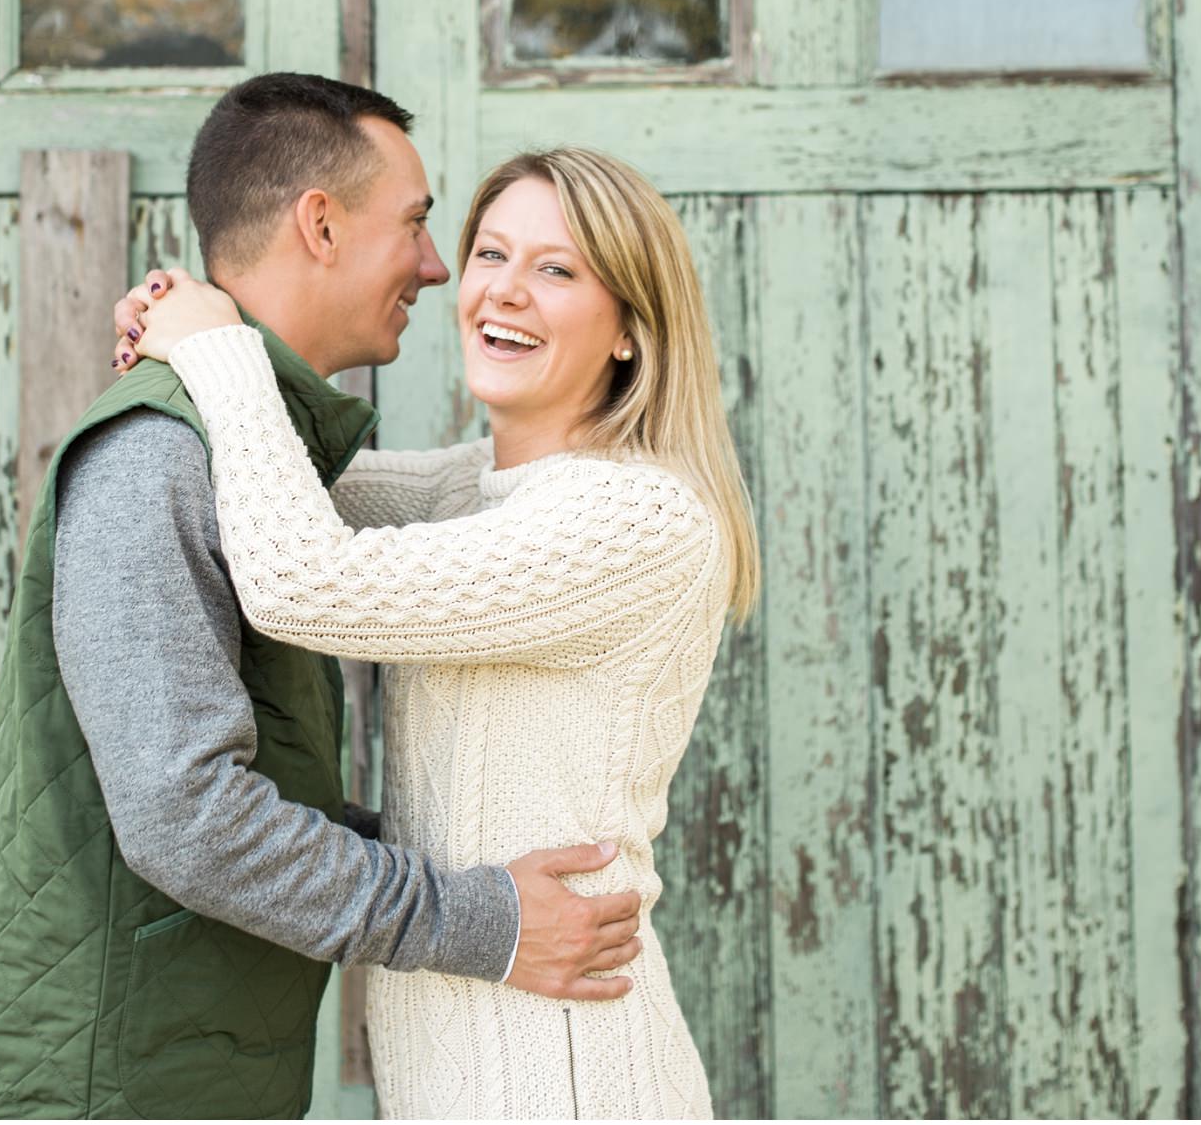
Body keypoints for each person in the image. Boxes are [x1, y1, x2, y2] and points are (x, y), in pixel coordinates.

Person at [0, 76, 646, 1121]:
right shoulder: (160, 455)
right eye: (416, 224)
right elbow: (187, 818)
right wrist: (471, 917)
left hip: (180, 1074)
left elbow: (262, 783)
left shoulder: (264, 471)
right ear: (320, 223)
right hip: (105, 1090)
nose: (436, 267)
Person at [110, 146, 762, 1119]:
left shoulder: (637, 519)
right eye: (490, 253)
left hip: (569, 1079)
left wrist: (216, 347)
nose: (503, 291)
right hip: (450, 1071)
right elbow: (261, 483)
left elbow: (295, 578)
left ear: (628, 327)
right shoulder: (468, 490)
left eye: (556, 269)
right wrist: (182, 325)